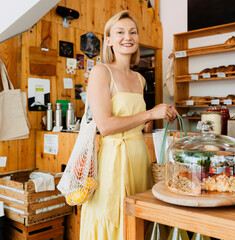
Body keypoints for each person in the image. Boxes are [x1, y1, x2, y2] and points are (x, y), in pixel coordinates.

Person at [80, 10, 178, 240]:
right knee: (115, 217)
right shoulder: (100, 72)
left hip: (139, 156)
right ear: (109, 40)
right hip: (113, 159)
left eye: (133, 32)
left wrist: (158, 116)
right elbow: (105, 126)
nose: (128, 37)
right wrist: (150, 112)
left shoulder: (140, 79)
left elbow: (138, 121)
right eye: (120, 32)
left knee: (140, 218)